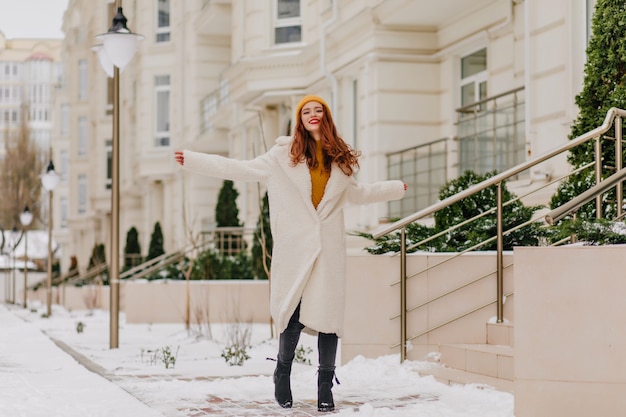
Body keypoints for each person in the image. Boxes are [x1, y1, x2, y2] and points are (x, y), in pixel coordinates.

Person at [174, 95, 407, 412]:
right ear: (299, 119)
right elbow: (239, 168)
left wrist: (394, 188)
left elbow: (358, 194)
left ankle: (325, 385)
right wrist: (194, 159)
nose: (313, 115)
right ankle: (282, 372)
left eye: (318, 110)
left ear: (326, 117)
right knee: (292, 315)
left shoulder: (338, 160)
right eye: (306, 111)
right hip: (295, 249)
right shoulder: (281, 157)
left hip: (328, 251)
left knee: (329, 321)